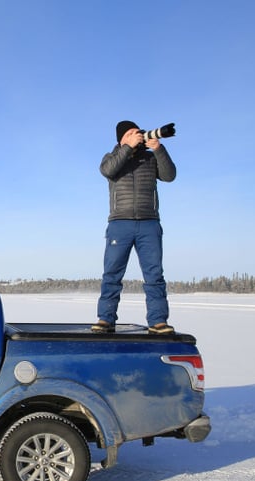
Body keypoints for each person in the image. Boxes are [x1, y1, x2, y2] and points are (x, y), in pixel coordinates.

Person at [92, 120, 177, 335]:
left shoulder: (149, 158)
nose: (137, 135)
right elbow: (108, 170)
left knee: (154, 275)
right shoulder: (111, 158)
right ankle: (105, 319)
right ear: (121, 138)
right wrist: (127, 147)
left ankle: (158, 321)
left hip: (149, 223)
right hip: (119, 223)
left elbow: (169, 176)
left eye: (137, 132)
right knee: (112, 273)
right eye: (130, 133)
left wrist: (159, 149)